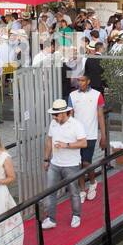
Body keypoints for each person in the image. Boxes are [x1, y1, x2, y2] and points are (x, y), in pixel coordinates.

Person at [42, 98, 86, 229]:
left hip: (71, 164)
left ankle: (76, 215)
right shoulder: (53, 124)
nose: (54, 117)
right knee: (50, 192)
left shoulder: (76, 124)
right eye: (53, 115)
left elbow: (84, 143)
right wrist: (46, 159)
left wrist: (66, 145)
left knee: (74, 192)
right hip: (55, 163)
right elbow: (49, 141)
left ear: (63, 113)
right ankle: (51, 218)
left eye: (56, 115)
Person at [69, 72, 107, 201]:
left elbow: (100, 116)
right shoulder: (72, 96)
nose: (80, 83)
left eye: (83, 80)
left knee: (86, 162)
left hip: (91, 135)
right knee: (79, 163)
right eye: (78, 80)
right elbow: (70, 117)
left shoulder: (97, 95)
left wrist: (103, 135)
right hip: (76, 136)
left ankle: (92, 183)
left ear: (88, 81)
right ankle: (82, 189)